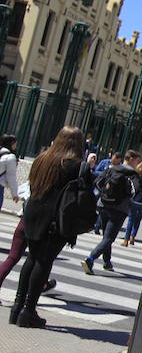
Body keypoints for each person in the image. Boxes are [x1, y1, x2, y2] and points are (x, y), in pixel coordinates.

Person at [11, 126, 89, 327]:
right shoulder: (76, 166)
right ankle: (28, 311)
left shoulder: (42, 158)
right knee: (43, 262)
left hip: (33, 213)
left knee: (32, 258)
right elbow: (85, 194)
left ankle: (17, 307)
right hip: (56, 219)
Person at [82, 150, 140, 274]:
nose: (137, 163)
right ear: (131, 159)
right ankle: (90, 258)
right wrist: (125, 196)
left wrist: (104, 193)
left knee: (106, 237)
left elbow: (97, 182)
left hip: (103, 205)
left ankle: (107, 262)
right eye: (136, 161)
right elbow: (135, 191)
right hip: (119, 209)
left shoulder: (111, 168)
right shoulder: (132, 173)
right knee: (109, 238)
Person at [0, 134, 20, 211]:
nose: (15, 146)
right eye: (15, 144)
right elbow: (11, 177)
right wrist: (15, 194)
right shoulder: (10, 157)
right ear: (11, 144)